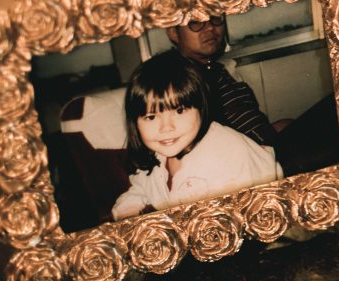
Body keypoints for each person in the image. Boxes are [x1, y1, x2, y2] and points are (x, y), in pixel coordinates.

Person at [111, 51, 283, 220]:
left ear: (201, 107)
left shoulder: (230, 152)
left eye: (179, 111)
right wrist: (128, 211)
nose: (166, 128)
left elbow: (260, 208)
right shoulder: (156, 158)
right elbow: (141, 188)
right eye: (151, 117)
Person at [167, 14, 278, 147]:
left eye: (215, 17)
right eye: (195, 22)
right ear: (174, 33)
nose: (210, 28)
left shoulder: (218, 69)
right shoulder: (180, 82)